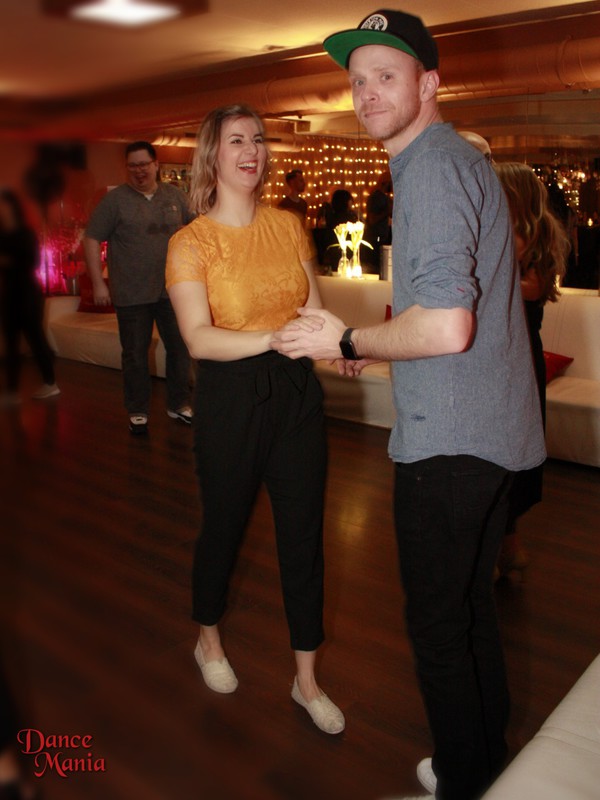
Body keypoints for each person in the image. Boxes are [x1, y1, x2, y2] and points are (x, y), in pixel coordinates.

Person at [272, 9, 545, 800]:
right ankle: (486, 766)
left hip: (451, 446)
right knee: (468, 612)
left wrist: (348, 339)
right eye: (357, 81)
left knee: (438, 626)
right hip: (494, 435)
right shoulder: (459, 160)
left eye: (385, 76)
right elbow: (452, 321)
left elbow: (449, 325)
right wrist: (377, 349)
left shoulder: (428, 168)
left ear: (430, 83)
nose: (366, 94)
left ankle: (462, 778)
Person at [165, 104, 344, 735]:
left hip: (295, 393)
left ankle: (306, 679)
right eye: (237, 140)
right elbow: (198, 338)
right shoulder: (191, 243)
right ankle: (207, 638)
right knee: (224, 527)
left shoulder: (289, 226)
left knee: (304, 537)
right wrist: (273, 338)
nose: (253, 150)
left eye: (259, 139)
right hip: (231, 397)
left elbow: (314, 311)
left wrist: (341, 347)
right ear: (212, 155)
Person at [84, 141, 194, 435]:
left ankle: (179, 403)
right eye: (133, 165)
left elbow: (198, 229)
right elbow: (92, 238)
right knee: (134, 354)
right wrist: (98, 283)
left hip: (172, 290)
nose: (139, 170)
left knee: (180, 349)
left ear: (156, 164)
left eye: (144, 164)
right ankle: (137, 411)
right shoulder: (115, 201)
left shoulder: (175, 196)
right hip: (131, 293)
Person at [494, 162, 569, 576]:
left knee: (511, 453)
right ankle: (506, 547)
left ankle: (503, 547)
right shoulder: (514, 236)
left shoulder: (530, 239)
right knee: (505, 453)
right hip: (510, 357)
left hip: (518, 361)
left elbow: (533, 288)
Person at [0, 188, 59, 405]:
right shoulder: (1, 234)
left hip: (27, 293)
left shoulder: (25, 233)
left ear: (12, 207)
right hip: (8, 294)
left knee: (35, 338)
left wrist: (6, 261)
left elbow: (32, 263)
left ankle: (50, 383)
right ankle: (11, 391)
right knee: (11, 343)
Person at [364, 170, 393, 270]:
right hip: (375, 240)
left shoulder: (385, 197)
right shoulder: (376, 197)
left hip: (382, 239)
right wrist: (387, 211)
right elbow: (372, 220)